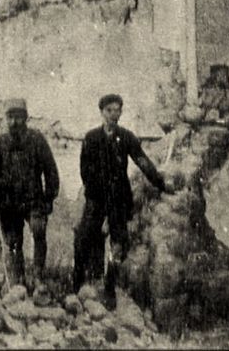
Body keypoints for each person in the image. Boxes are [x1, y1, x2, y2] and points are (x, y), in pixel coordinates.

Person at [74, 94, 172, 306]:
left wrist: (161, 183)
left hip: (119, 198)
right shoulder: (91, 138)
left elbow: (142, 161)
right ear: (102, 112)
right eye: (109, 110)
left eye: (117, 110)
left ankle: (110, 288)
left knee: (118, 244)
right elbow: (85, 172)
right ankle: (79, 284)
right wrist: (97, 197)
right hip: (96, 198)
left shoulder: (126, 137)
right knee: (85, 238)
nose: (113, 114)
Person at [0, 98, 60, 290]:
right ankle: (17, 281)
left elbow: (51, 170)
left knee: (38, 231)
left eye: (18, 117)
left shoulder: (36, 140)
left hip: (34, 200)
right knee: (12, 243)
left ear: (25, 118)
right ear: (6, 119)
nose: (14, 122)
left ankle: (38, 276)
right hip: (8, 203)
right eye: (10, 118)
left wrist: (49, 198)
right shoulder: (0, 143)